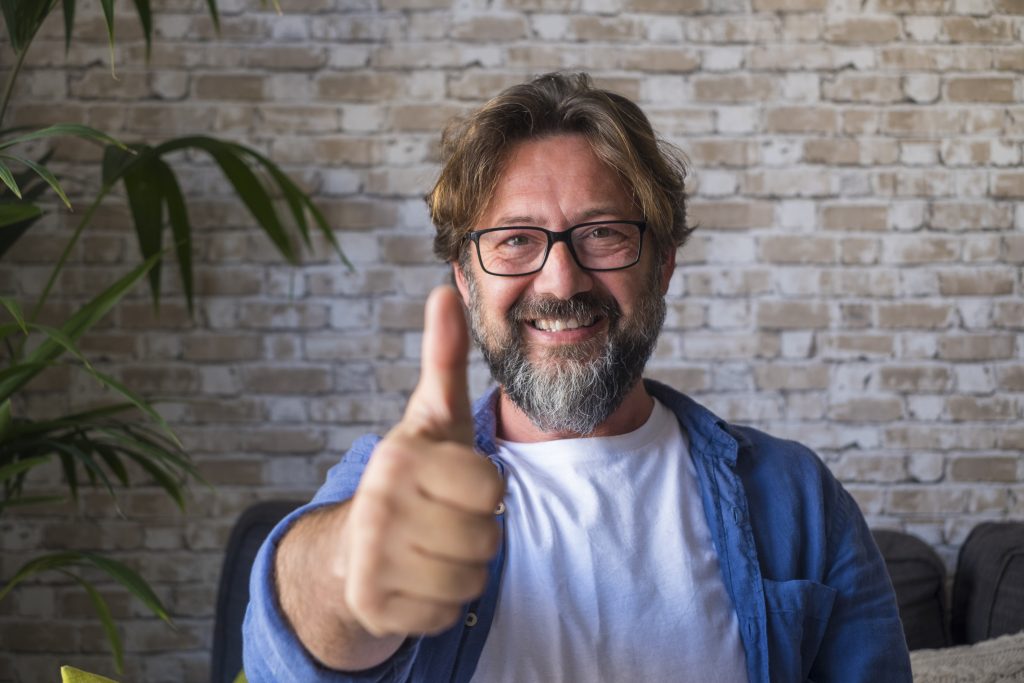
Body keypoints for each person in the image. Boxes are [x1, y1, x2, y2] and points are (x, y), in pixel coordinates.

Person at [243, 72, 912, 682]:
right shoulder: (402, 483)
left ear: (664, 264)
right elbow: (282, 645)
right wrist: (347, 566)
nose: (561, 280)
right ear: (464, 279)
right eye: (515, 240)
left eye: (602, 234)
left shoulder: (796, 498)